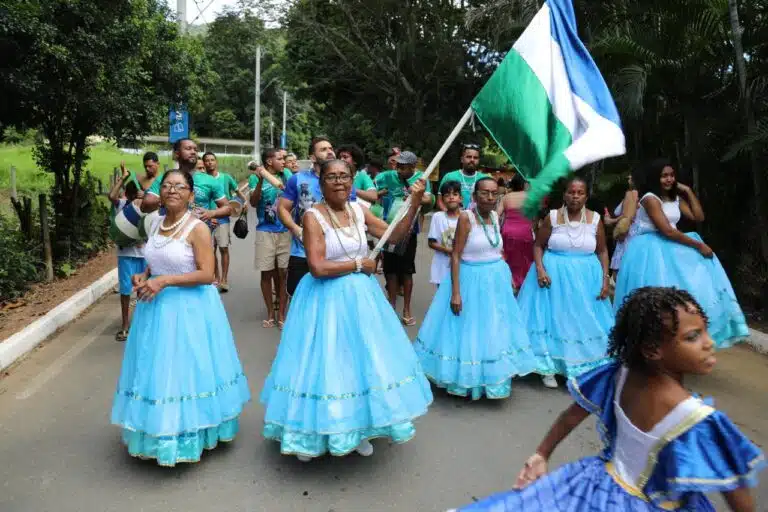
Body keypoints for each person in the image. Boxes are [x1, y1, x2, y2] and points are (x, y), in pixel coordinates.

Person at [451, 287, 766, 512]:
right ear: (653, 350)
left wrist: (541, 454)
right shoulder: (698, 418)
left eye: (705, 332)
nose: (709, 344)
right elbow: (737, 492)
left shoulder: (619, 374)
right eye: (692, 337)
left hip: (599, 484)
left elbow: (570, 416)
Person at [261, 159, 433, 462]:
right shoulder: (314, 216)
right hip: (324, 299)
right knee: (322, 362)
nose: (339, 182)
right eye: (331, 177)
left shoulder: (357, 210)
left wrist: (415, 202)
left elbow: (395, 236)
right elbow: (316, 266)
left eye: (344, 176)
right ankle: (310, 433)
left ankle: (356, 429)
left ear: (352, 180)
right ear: (321, 182)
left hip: (359, 298)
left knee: (357, 362)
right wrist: (357, 264)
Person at [111, 170, 250, 467]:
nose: (173, 190)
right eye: (168, 185)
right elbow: (154, 261)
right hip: (155, 308)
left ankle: (191, 432)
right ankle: (158, 429)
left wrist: (164, 281)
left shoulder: (197, 228)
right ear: (160, 193)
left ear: (190, 194)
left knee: (185, 369)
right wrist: (145, 275)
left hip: (189, 309)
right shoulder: (156, 223)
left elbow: (207, 274)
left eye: (180, 186)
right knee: (157, 368)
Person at [415, 178, 536, 400]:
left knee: (492, 328)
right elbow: (456, 255)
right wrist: (456, 292)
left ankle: (490, 378)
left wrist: (506, 277)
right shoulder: (466, 217)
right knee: (468, 330)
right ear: (474, 196)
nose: (490, 198)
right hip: (470, 280)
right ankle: (465, 379)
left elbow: (496, 250)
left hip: (495, 282)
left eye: (494, 193)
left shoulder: (494, 216)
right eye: (484, 193)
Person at [614, 158, 748, 348]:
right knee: (657, 295)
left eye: (671, 175)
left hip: (672, 248)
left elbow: (698, 217)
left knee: (686, 292)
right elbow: (666, 230)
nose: (669, 179)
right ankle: (650, 343)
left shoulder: (674, 198)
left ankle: (678, 341)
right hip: (651, 249)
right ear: (655, 178)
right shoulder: (650, 198)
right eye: (664, 176)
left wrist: (687, 191)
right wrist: (698, 245)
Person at [516, 177, 613, 389]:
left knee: (580, 321)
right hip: (553, 278)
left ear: (586, 196)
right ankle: (548, 367)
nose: (575, 196)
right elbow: (538, 245)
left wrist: (605, 279)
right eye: (571, 192)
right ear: (564, 195)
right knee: (552, 320)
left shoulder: (595, 219)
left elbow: (603, 250)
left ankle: (579, 368)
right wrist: (540, 269)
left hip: (586, 280)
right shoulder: (553, 217)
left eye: (580, 193)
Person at [278, 136, 357, 299]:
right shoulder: (297, 179)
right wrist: (296, 229)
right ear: (312, 157)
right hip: (302, 253)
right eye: (323, 149)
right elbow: (282, 208)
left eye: (330, 148)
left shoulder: (344, 181)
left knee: (334, 301)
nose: (329, 152)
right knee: (300, 300)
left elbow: (353, 213)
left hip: (337, 255)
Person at [375, 151, 433, 326]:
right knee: (390, 270)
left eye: (403, 167)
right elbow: (374, 188)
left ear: (413, 167)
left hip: (409, 232)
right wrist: (381, 193)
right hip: (388, 229)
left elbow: (429, 199)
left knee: (406, 271)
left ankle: (406, 309)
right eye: (397, 166)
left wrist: (417, 197)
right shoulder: (388, 176)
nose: (398, 170)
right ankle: (391, 306)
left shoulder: (421, 179)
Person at [141, 139, 232, 225]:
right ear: (177, 154)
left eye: (195, 150)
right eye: (188, 149)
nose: (193, 152)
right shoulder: (165, 178)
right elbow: (145, 205)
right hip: (169, 234)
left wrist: (211, 213)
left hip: (199, 236)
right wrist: (170, 198)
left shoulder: (210, 180)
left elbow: (228, 208)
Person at [250, 148, 293, 329]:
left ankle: (282, 314)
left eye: (284, 159)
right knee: (266, 272)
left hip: (285, 231)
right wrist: (260, 181)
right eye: (280, 158)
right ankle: (270, 313)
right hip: (265, 231)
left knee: (283, 273)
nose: (284, 161)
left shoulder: (287, 175)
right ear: (269, 162)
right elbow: (253, 203)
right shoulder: (256, 177)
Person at [108, 164, 147, 342]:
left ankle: (141, 324)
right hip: (126, 255)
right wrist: (123, 178)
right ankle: (125, 325)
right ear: (129, 195)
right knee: (126, 291)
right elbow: (112, 196)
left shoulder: (147, 207)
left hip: (144, 255)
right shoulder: (123, 205)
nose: (138, 200)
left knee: (143, 290)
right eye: (135, 196)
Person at [203, 152, 247, 292]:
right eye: (207, 161)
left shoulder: (226, 178)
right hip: (206, 219)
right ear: (203, 164)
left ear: (216, 162)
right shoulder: (201, 179)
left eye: (212, 160)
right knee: (211, 250)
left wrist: (244, 202)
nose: (210, 163)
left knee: (223, 248)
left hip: (223, 219)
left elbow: (238, 191)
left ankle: (224, 279)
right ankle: (216, 278)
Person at [499, 172, 535, 291]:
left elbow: (496, 215)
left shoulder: (506, 197)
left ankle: (510, 282)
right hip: (526, 232)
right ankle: (523, 283)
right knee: (525, 259)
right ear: (525, 184)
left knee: (509, 258)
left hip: (508, 231)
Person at [427, 180, 462, 287]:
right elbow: (431, 242)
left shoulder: (467, 216)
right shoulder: (438, 217)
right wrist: (450, 250)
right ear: (442, 199)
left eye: (455, 194)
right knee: (443, 294)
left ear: (460, 198)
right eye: (447, 195)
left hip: (463, 264)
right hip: (442, 265)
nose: (451, 197)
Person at [437, 143, 490, 211]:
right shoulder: (449, 176)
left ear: (478, 160)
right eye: (468, 157)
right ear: (462, 159)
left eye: (475, 158)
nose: (472, 160)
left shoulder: (485, 179)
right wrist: (451, 215)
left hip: (477, 219)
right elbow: (439, 200)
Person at [608, 173, 639, 277]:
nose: (629, 179)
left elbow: (627, 216)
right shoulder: (633, 194)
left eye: (631, 177)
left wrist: (610, 221)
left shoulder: (632, 194)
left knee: (621, 275)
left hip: (628, 234)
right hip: (631, 234)